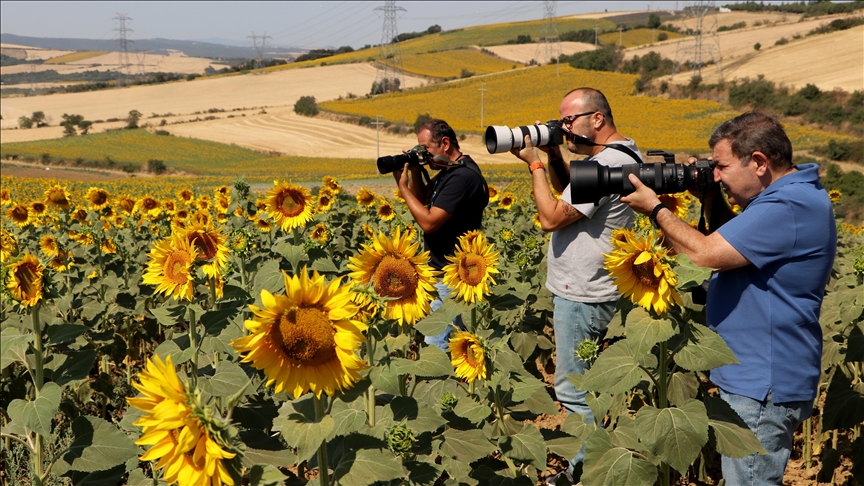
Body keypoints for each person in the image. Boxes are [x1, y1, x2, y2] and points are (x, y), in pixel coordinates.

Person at [620, 111, 836, 485]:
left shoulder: (787, 205)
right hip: (757, 375)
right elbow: (737, 245)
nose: (716, 175)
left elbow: (704, 254)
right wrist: (709, 197)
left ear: (759, 162)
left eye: (721, 167)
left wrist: (656, 209)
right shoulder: (790, 195)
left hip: (762, 381)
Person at [509, 88, 638, 483]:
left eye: (569, 120)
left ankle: (582, 471)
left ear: (597, 119)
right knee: (591, 385)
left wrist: (534, 164)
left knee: (574, 391)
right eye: (561, 122)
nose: (564, 128)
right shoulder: (621, 156)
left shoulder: (605, 165)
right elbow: (576, 199)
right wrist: (553, 156)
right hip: (597, 289)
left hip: (584, 294)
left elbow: (551, 217)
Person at [393, 118, 489, 350]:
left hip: (451, 276)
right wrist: (416, 170)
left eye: (426, 149)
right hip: (444, 271)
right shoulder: (451, 171)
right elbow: (422, 198)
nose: (424, 155)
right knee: (449, 342)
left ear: (445, 143)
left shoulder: (461, 177)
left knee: (436, 345)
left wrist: (402, 188)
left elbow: (429, 223)